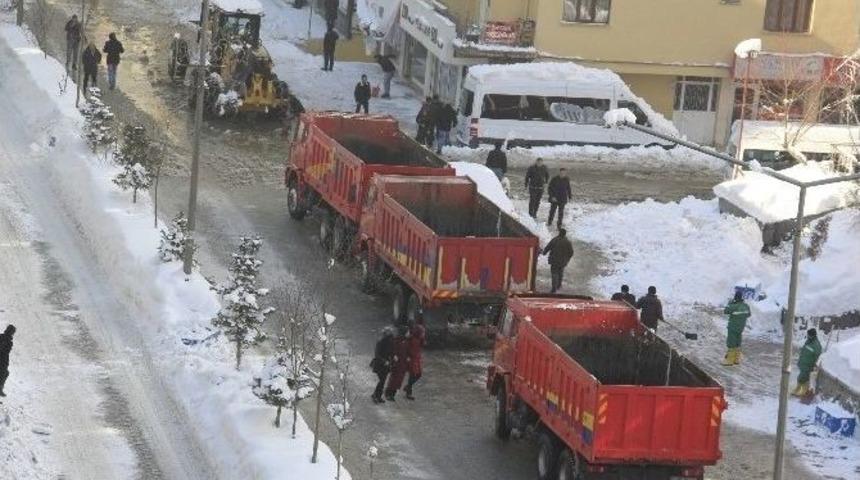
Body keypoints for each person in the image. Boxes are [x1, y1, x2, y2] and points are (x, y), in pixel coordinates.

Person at [721, 291, 751, 366]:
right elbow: (748, 314)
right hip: (740, 328)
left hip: (733, 327)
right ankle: (736, 359)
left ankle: (729, 360)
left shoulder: (733, 306)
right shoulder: (746, 306)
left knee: (731, 343)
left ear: (735, 297)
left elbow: (726, 311)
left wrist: (730, 303)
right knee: (738, 342)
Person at [541, 228, 574, 294]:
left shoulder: (555, 240)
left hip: (554, 260)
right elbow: (571, 252)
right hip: (562, 261)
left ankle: (554, 288)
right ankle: (559, 285)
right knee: (560, 272)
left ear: (559, 233)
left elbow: (548, 247)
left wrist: (544, 252)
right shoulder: (567, 242)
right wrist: (567, 259)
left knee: (554, 273)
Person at [793, 328, 823, 397]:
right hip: (803, 364)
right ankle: (798, 389)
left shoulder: (816, 345)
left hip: (808, 365)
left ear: (812, 335)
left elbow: (817, 356)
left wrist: (815, 366)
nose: (808, 336)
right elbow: (805, 349)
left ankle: (803, 391)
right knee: (801, 378)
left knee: (803, 378)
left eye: (809, 335)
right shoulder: (808, 341)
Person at [385, 327, 410, 401]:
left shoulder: (406, 341)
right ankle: (389, 393)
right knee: (394, 378)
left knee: (399, 379)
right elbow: (393, 349)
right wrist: (394, 355)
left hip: (403, 363)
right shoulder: (397, 340)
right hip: (397, 363)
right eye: (407, 332)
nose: (409, 333)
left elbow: (407, 350)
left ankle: (393, 393)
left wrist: (407, 357)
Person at [403, 318, 426, 400]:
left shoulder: (417, 334)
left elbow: (423, 344)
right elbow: (405, 348)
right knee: (412, 375)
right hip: (412, 358)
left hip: (417, 357)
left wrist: (422, 339)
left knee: (418, 374)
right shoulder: (409, 337)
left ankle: (408, 386)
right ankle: (408, 392)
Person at [370, 327, 394, 403]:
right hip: (379, 365)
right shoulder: (380, 342)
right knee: (381, 381)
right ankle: (375, 395)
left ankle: (377, 395)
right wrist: (384, 361)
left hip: (386, 365)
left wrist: (392, 358)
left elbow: (391, 351)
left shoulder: (390, 341)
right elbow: (377, 354)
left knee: (382, 381)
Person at [0, 325, 15, 397]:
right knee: (4, 374)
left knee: (5, 374)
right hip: (2, 362)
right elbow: (4, 352)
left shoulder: (2, 337)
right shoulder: (8, 341)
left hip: (3, 362)